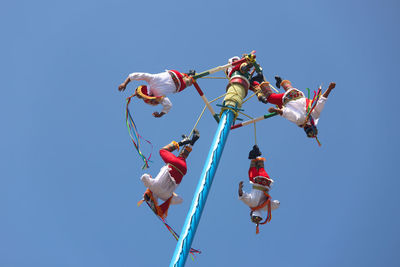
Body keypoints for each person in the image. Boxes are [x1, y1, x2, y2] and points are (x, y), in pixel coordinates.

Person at [139, 130, 200, 219]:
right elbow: (144, 177)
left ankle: (193, 141)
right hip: (173, 165)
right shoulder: (152, 185)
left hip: (182, 171)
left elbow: (180, 200)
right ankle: (182, 142)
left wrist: (172, 194)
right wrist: (149, 177)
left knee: (182, 157)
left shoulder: (166, 197)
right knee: (162, 151)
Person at [257, 76, 336, 138]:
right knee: (270, 98)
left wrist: (329, 88)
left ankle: (281, 81)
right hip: (287, 100)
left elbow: (321, 101)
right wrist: (275, 110)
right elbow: (288, 113)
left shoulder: (316, 115)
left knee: (288, 88)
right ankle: (261, 81)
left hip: (297, 94)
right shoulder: (301, 121)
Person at [118, 69, 195, 118]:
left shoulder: (158, 95)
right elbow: (136, 75)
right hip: (175, 74)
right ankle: (187, 75)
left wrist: (160, 114)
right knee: (183, 79)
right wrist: (125, 83)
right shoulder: (151, 80)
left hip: (180, 84)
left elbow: (168, 105)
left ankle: (189, 78)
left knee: (186, 82)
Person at [238, 145, 280, 234]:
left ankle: (257, 156)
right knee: (253, 172)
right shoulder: (252, 204)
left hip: (265, 183)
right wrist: (240, 188)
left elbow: (277, 204)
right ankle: (255, 157)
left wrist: (275, 203)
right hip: (257, 182)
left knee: (261, 170)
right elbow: (241, 195)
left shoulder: (265, 208)